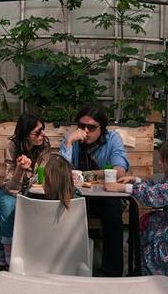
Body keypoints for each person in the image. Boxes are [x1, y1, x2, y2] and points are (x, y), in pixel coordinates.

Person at [105, 139, 168, 283]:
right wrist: (136, 180)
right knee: (143, 226)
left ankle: (156, 280)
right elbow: (158, 186)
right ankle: (141, 269)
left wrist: (124, 188)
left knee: (155, 247)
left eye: (162, 160)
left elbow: (154, 197)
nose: (159, 163)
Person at [59, 104, 130, 276]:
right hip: (77, 196)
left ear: (102, 128)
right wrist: (69, 143)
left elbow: (119, 170)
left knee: (113, 210)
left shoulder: (112, 139)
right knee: (61, 206)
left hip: (104, 196)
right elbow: (60, 172)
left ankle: (111, 272)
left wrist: (85, 176)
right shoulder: (72, 140)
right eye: (82, 126)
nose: (86, 131)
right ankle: (65, 267)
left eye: (91, 127)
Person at [0, 113, 51, 269]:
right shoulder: (12, 147)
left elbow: (42, 174)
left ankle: (1, 250)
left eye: (43, 129)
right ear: (26, 134)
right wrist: (20, 169)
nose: (42, 134)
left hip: (33, 190)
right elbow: (10, 187)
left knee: (0, 214)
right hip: (9, 190)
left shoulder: (44, 145)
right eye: (38, 132)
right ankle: (9, 255)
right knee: (8, 205)